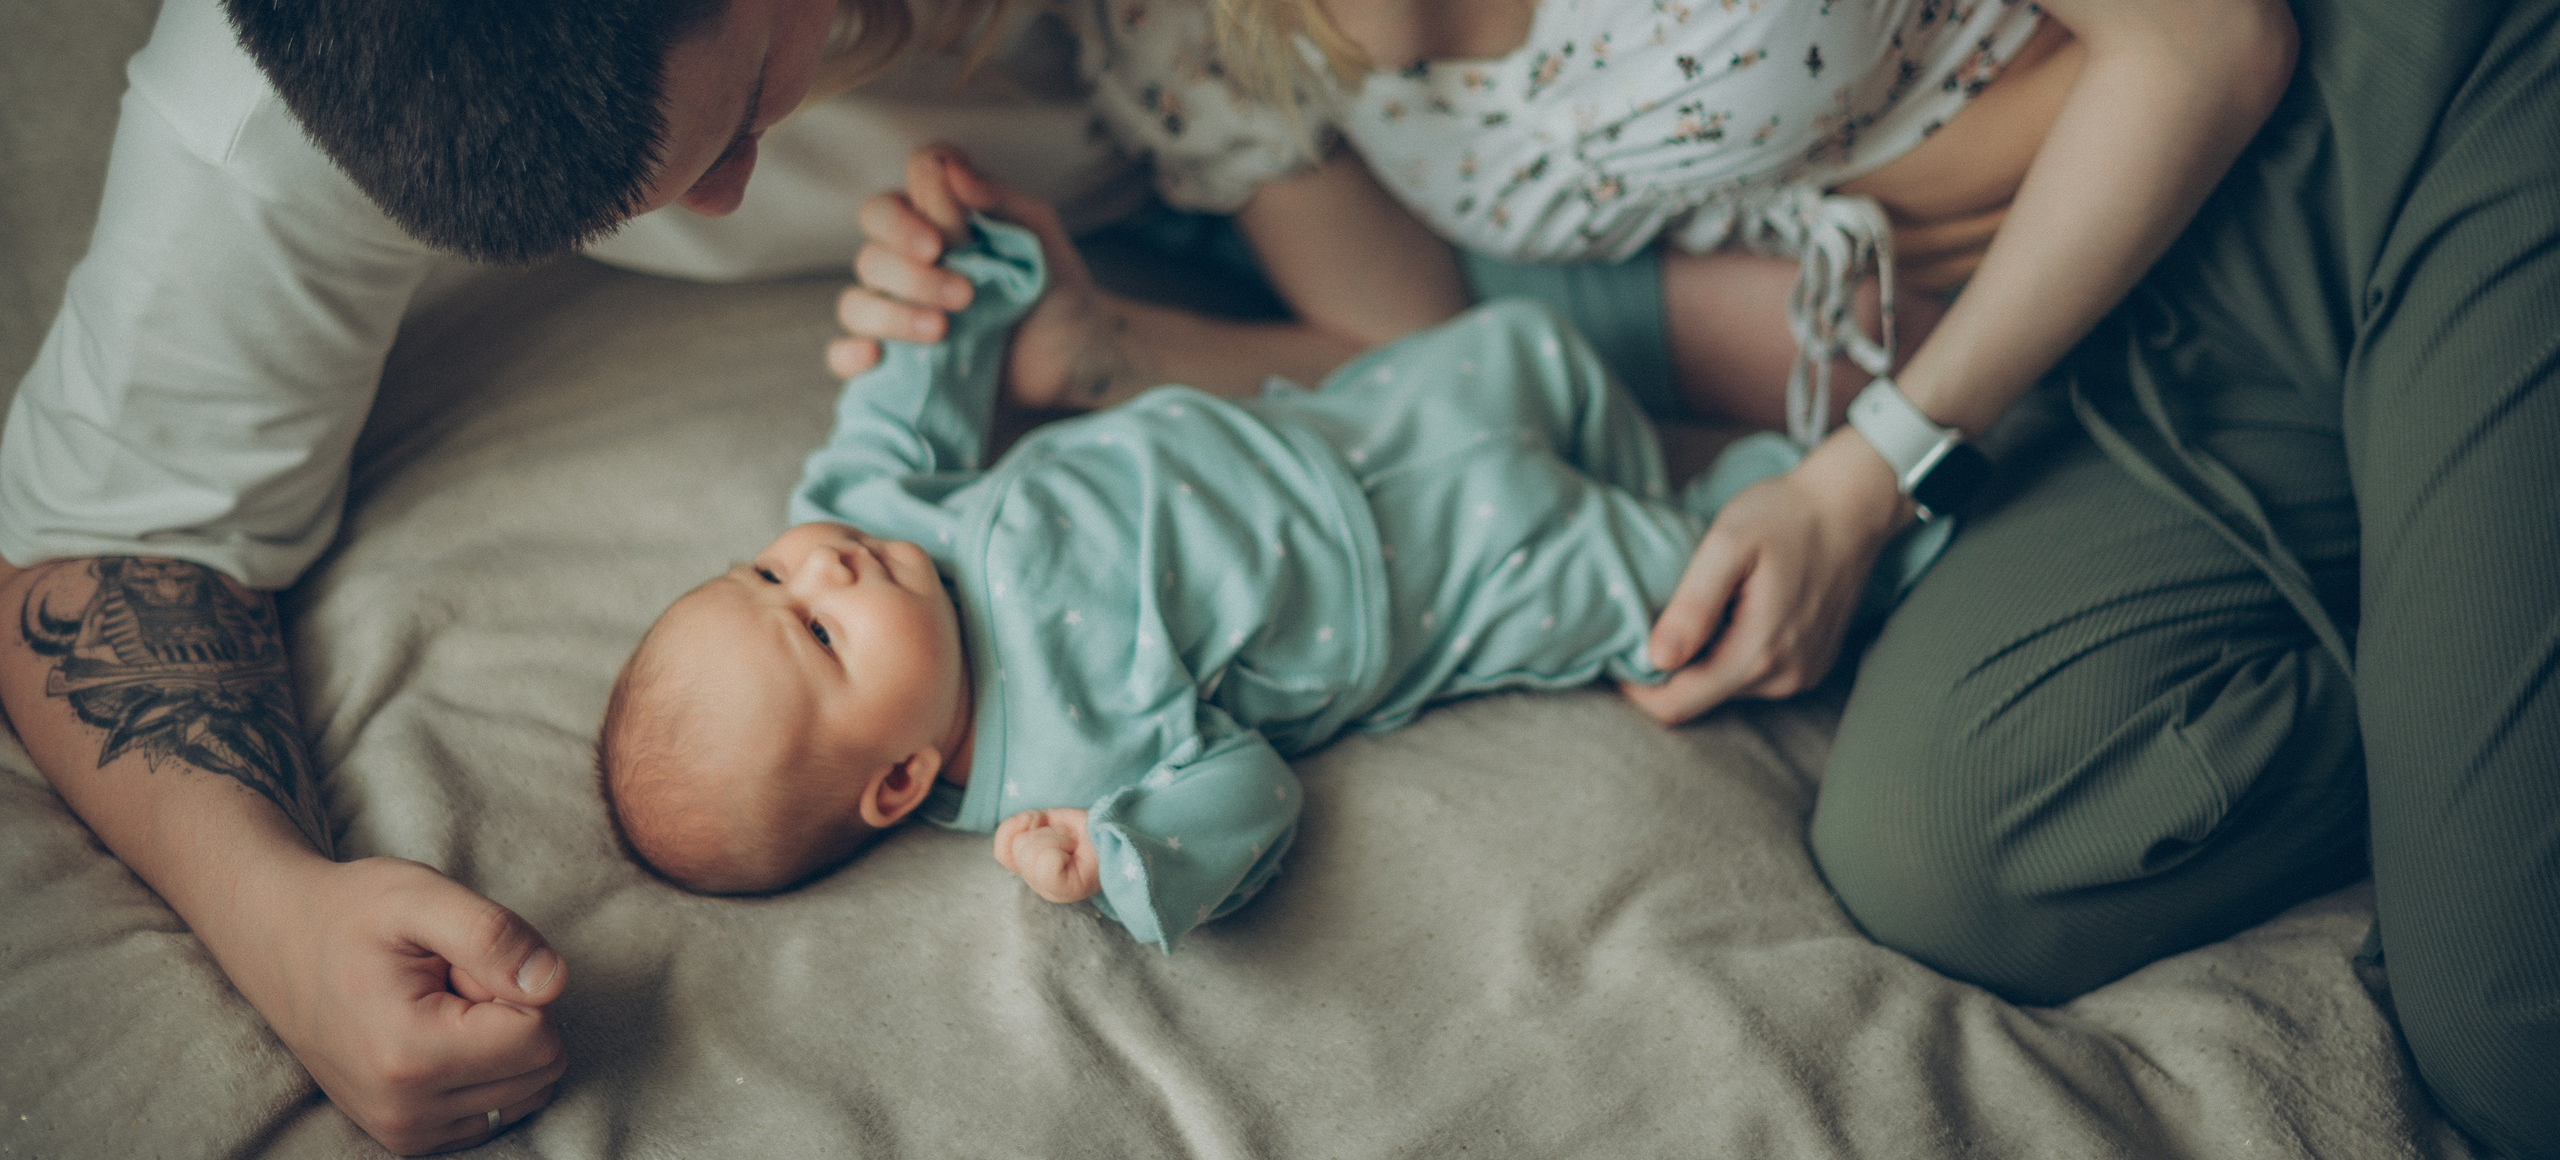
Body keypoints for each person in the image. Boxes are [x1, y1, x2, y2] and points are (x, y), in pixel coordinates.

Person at [0, 0, 2532, 1151]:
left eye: (736, 113)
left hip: (2244, 90)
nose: (774, 177)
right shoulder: (325, 78)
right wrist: (283, 920)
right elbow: (105, 554)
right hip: (1930, 303)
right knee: (1963, 844)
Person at [598, 172, 1942, 936]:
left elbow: (909, 385)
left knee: (1556, 368)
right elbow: (1245, 797)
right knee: (1687, 585)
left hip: (1382, 413)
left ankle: (1737, 418)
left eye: (766, 573)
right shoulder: (1057, 772)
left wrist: (967, 266)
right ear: (897, 780)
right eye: (818, 636)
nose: (820, 572)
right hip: (1453, 580)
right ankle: (1890, 509)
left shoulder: (882, 511)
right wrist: (1125, 861)